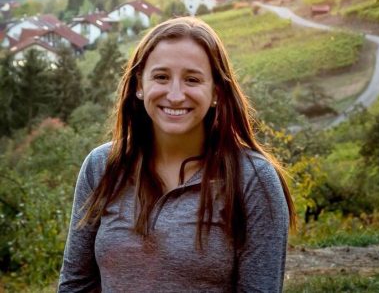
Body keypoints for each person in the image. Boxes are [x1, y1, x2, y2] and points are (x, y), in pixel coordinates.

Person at [58, 16, 295, 292]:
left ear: (216, 92)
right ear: (139, 84)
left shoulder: (252, 179)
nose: (175, 94)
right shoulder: (102, 167)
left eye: (192, 79)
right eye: (161, 77)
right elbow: (75, 285)